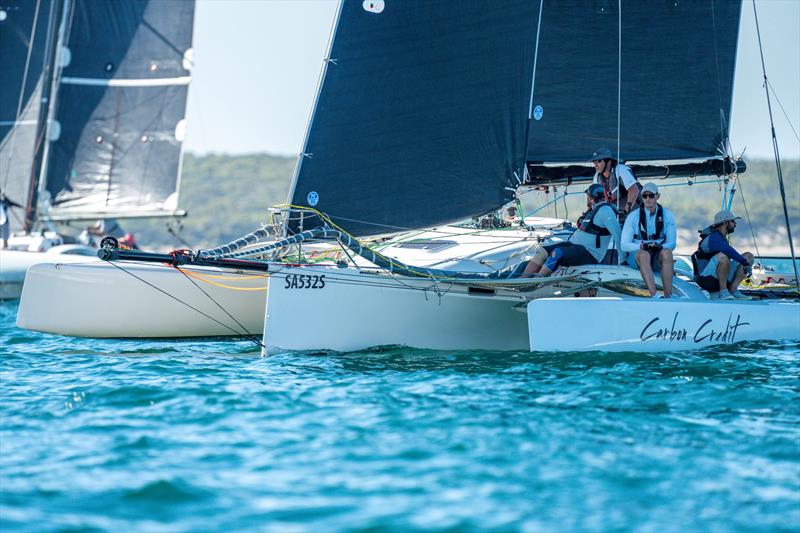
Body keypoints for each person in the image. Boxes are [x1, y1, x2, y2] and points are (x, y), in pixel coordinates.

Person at [521, 183, 621, 276]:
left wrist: (623, 259)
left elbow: (617, 233)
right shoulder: (593, 210)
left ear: (591, 198)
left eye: (588, 197)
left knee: (558, 253)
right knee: (542, 251)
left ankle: (537, 281)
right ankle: (522, 280)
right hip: (575, 246)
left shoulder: (605, 211)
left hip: (590, 253)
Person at [621, 182, 677, 298]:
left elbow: (672, 243)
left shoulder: (668, 215)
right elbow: (624, 245)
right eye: (644, 196)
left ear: (657, 196)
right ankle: (654, 294)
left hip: (657, 254)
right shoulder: (633, 217)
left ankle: (668, 296)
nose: (647, 199)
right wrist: (641, 247)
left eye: (651, 195)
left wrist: (660, 247)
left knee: (667, 253)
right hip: (638, 256)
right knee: (644, 254)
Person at [691, 210, 754, 300]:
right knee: (723, 256)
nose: (735, 224)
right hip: (706, 280)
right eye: (733, 221)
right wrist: (744, 263)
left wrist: (746, 261)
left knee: (749, 256)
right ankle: (723, 292)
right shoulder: (713, 237)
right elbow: (727, 250)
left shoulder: (721, 237)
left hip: (717, 277)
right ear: (725, 223)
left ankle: (733, 289)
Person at [591, 147, 641, 217]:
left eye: (598, 161)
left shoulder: (620, 169)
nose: (595, 164)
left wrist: (625, 212)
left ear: (608, 161)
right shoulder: (597, 176)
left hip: (633, 213)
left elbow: (634, 190)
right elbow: (593, 196)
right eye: (594, 161)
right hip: (615, 214)